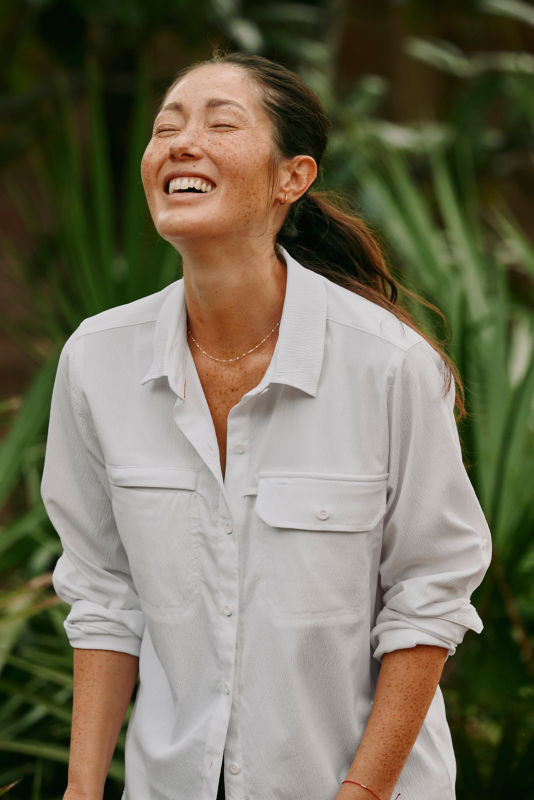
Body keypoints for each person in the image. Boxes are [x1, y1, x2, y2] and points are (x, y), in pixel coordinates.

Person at [40, 52, 492, 800]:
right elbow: (104, 593)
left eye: (221, 123)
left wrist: (362, 794)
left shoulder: (389, 366)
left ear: (294, 177)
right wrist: (82, 792)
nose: (182, 143)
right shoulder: (97, 361)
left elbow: (429, 594)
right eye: (166, 127)